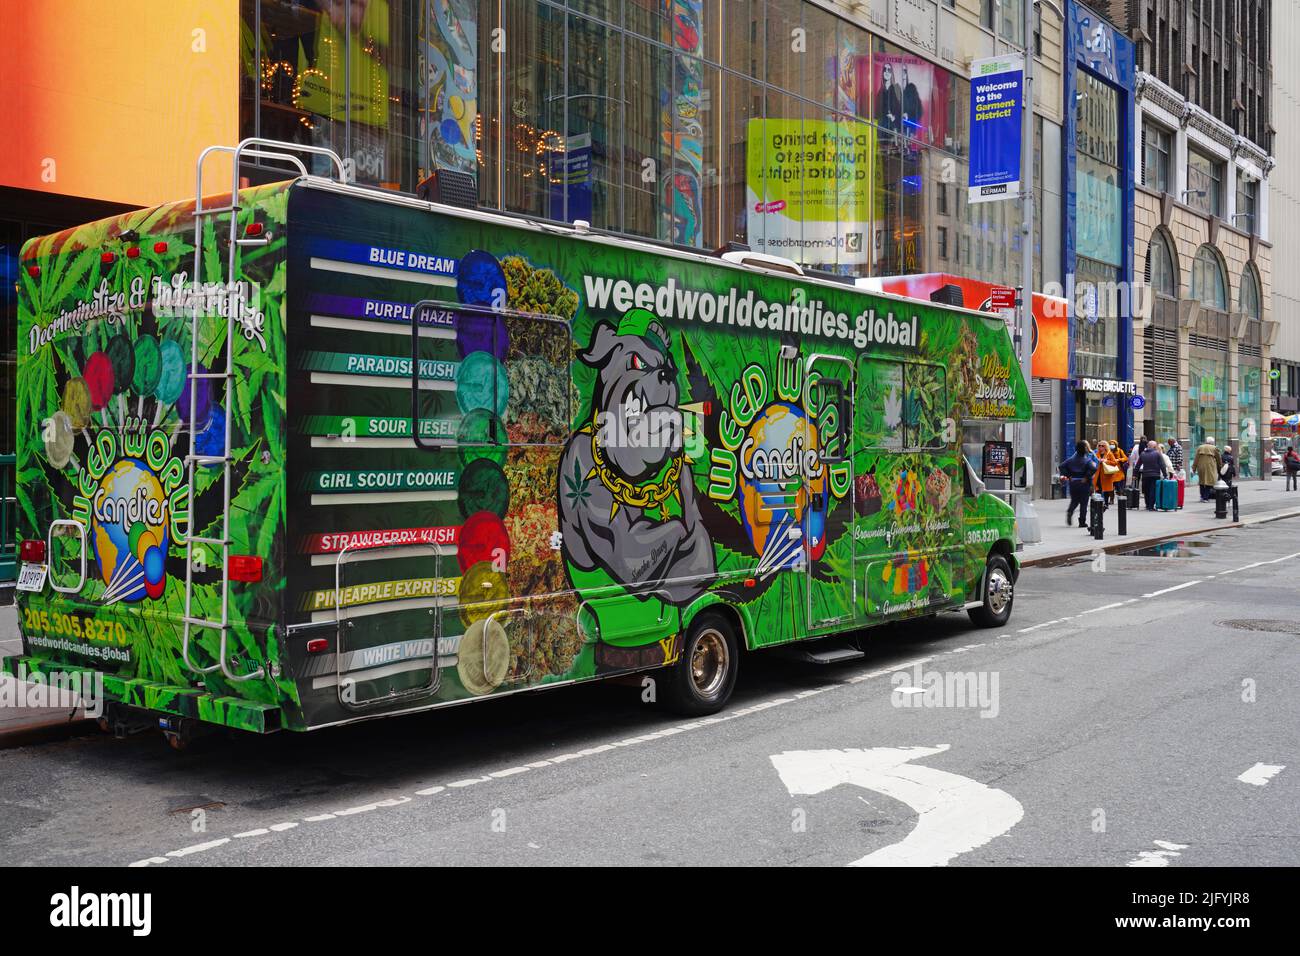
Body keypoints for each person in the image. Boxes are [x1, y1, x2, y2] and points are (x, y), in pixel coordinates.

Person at [1059, 440, 1098, 528]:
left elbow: (1061, 466)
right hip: (1084, 483)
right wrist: (1087, 477)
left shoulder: (1071, 459)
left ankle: (1070, 511)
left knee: (1074, 500)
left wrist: (1069, 475)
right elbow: (1093, 468)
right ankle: (1082, 522)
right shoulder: (1087, 460)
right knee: (1084, 503)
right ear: (1085, 449)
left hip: (1073, 482)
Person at [1136, 440, 1168, 511]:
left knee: (1146, 490)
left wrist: (1134, 474)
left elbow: (1137, 465)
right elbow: (1162, 465)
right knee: (1153, 490)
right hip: (1155, 475)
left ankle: (1147, 505)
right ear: (1154, 446)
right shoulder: (1157, 454)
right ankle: (1151, 506)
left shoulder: (1143, 454)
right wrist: (1165, 475)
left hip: (1145, 475)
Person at [1092, 440, 1124, 505]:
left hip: (1106, 475)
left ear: (1105, 447)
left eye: (1102, 446)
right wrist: (1097, 462)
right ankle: (1099, 504)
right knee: (1098, 489)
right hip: (1098, 475)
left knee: (1106, 489)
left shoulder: (1109, 453)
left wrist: (1106, 461)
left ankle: (1106, 503)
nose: (1100, 447)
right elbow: (1092, 462)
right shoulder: (1096, 454)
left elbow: (1115, 463)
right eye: (1099, 445)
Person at [1193, 436, 1222, 501]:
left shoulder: (1200, 447)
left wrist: (1194, 468)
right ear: (1212, 442)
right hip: (1210, 467)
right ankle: (1205, 497)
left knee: (1202, 481)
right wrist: (1220, 468)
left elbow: (1196, 458)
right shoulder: (1214, 448)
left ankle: (1202, 496)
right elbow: (1219, 459)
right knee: (1210, 482)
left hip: (1201, 467)